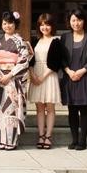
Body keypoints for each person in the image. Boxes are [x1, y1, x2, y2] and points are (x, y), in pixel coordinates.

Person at [0, 11, 32, 150]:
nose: (7, 26)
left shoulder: (20, 42)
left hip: (12, 81)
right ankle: (1, 139)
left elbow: (24, 62)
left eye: (10, 23)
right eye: (4, 23)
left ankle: (11, 140)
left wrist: (9, 75)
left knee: (11, 110)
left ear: (15, 24)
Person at [60, 8, 87, 151]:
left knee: (84, 109)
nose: (76, 23)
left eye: (79, 20)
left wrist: (82, 70)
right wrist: (68, 71)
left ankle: (82, 141)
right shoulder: (65, 37)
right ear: (69, 22)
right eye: (73, 20)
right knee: (71, 110)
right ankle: (74, 139)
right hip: (69, 77)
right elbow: (61, 58)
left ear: (84, 21)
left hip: (84, 77)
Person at [28, 13, 62, 150]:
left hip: (49, 75)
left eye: (47, 24)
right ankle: (41, 135)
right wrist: (32, 75)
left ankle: (48, 136)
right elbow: (29, 61)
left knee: (50, 107)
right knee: (39, 108)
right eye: (42, 25)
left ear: (52, 26)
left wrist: (42, 77)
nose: (44, 27)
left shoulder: (56, 41)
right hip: (35, 74)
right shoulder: (35, 41)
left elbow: (56, 63)